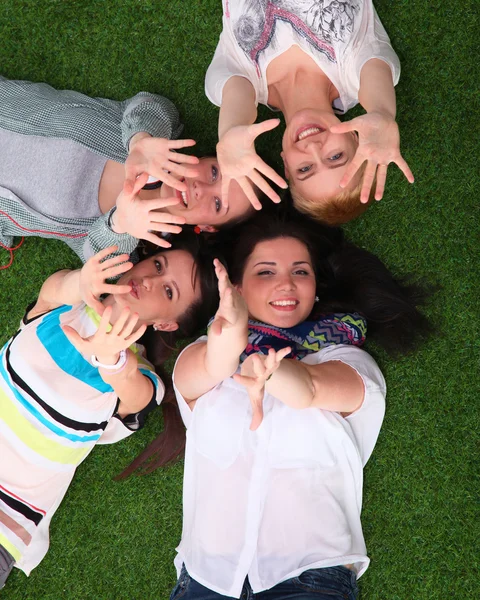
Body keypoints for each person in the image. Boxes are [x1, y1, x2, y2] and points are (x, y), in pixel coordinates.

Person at [128, 211, 431, 599]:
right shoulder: (201, 354)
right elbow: (211, 366)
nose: (286, 283)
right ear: (236, 288)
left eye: (300, 272)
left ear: (316, 286)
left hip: (309, 580)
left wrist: (269, 372)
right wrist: (232, 338)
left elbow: (309, 388)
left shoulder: (351, 363)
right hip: (206, 580)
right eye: (266, 272)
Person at [0, 229, 219, 588]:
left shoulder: (139, 374)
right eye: (158, 265)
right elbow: (57, 289)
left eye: (168, 290)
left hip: (6, 518)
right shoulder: (64, 308)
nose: (149, 279)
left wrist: (110, 358)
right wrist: (82, 280)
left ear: (166, 324)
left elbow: (136, 395)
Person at [0, 75, 254, 268]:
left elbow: (98, 260)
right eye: (214, 174)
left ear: (208, 227)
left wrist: (120, 224)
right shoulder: (160, 135)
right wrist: (139, 140)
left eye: (218, 203)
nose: (201, 189)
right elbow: (151, 105)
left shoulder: (124, 242)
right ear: (205, 158)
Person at [206, 0, 415, 225]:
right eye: (335, 157)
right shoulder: (354, 72)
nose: (314, 148)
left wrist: (230, 131)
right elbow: (377, 69)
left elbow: (235, 95)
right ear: (356, 137)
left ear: (286, 165)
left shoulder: (243, 81)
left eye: (305, 169)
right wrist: (382, 112)